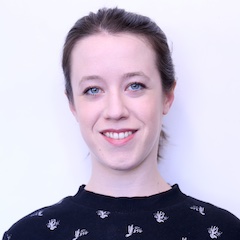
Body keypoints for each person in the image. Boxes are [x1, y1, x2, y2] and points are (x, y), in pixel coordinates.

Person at [2, 7, 240, 240]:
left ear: (167, 97)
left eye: (135, 85)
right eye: (93, 89)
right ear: (73, 105)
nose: (115, 111)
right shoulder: (28, 235)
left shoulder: (225, 232)